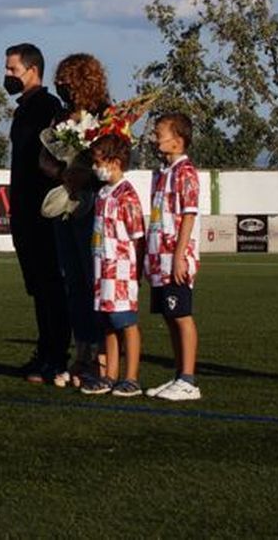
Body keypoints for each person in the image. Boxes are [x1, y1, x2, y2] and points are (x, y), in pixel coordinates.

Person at [4, 43, 68, 383]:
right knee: (36, 286)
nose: (7, 76)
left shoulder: (47, 106)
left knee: (50, 285)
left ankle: (57, 357)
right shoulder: (22, 109)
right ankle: (44, 351)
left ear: (32, 70)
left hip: (42, 211)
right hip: (22, 210)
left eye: (12, 70)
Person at [47, 52, 111, 388]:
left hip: (96, 208)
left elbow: (115, 161)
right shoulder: (60, 116)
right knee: (73, 282)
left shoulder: (107, 116)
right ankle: (81, 350)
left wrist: (84, 173)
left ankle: (102, 357)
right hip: (66, 208)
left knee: (93, 280)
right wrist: (63, 171)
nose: (62, 88)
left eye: (68, 82)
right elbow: (43, 158)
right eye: (60, 83)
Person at [145, 113, 201, 400]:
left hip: (175, 258)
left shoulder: (185, 172)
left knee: (181, 316)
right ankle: (178, 375)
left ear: (177, 142)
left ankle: (189, 379)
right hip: (159, 258)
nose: (155, 138)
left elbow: (188, 217)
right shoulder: (163, 173)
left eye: (159, 134)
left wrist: (180, 256)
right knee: (169, 315)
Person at [82, 133, 144, 397]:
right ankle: (110, 376)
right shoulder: (103, 194)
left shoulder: (127, 196)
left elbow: (138, 238)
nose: (96, 168)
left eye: (99, 162)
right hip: (102, 269)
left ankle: (131, 377)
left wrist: (137, 273)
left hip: (121, 271)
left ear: (115, 162)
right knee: (107, 322)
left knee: (125, 322)